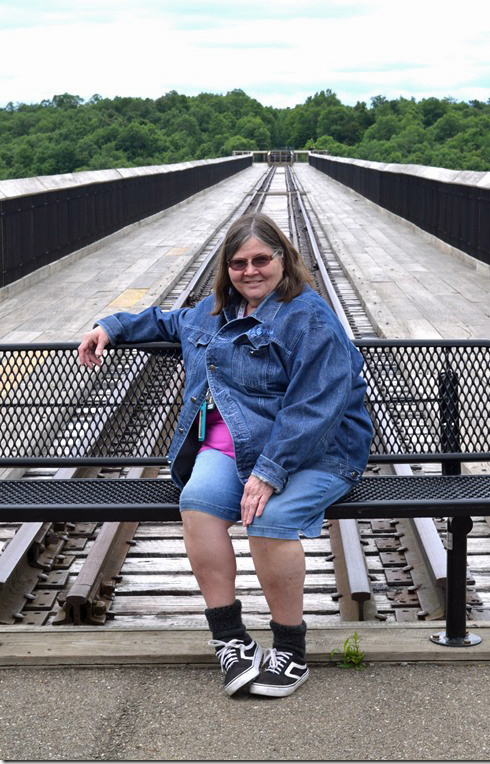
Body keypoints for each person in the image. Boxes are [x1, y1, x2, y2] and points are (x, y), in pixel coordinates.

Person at [78, 212, 373, 698]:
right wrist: (109, 326)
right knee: (197, 505)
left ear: (284, 260)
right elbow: (164, 321)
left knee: (270, 519)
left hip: (316, 451)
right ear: (227, 269)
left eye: (262, 259)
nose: (251, 270)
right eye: (239, 263)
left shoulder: (309, 316)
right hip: (231, 447)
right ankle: (231, 640)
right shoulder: (215, 312)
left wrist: (270, 472)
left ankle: (290, 650)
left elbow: (316, 408)